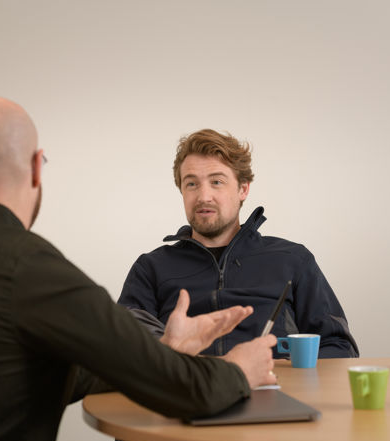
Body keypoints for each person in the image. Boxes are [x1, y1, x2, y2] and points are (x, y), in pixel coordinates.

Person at [0, 98, 277, 441]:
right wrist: (239, 370)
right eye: (192, 183)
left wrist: (163, 349)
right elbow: (180, 390)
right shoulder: (35, 272)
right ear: (36, 168)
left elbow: (35, 374)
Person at [118, 129, 359, 358]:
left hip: (273, 385)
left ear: (243, 189)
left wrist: (282, 369)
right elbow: (123, 349)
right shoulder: (150, 268)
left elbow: (339, 346)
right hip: (187, 385)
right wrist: (170, 351)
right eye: (191, 184)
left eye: (217, 182)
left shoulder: (293, 259)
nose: (203, 196)